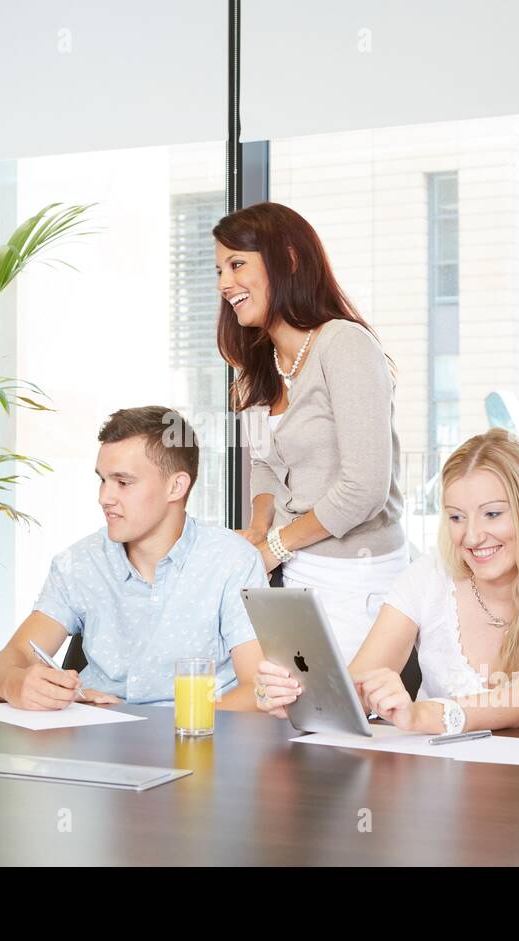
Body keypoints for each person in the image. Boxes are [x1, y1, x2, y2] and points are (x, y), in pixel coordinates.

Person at [254, 429, 519, 734]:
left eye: (492, 514)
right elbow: (359, 689)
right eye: (457, 517)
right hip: (436, 785)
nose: (473, 537)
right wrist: (305, 699)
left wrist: (420, 714)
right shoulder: (426, 577)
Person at [214, 201, 407, 663]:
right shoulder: (258, 366)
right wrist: (259, 531)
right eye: (219, 269)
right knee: (288, 713)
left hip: (355, 577)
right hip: (294, 570)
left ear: (290, 259)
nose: (224, 284)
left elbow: (364, 489)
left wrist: (275, 547)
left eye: (237, 264)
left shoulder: (344, 345)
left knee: (340, 723)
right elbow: (264, 463)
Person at [0, 406, 267, 710]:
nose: (104, 497)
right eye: (102, 480)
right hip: (97, 739)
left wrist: (160, 729)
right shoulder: (79, 563)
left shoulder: (232, 561)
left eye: (123, 482)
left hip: (199, 742)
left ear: (176, 487)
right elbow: (8, 662)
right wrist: (20, 684)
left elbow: (257, 689)